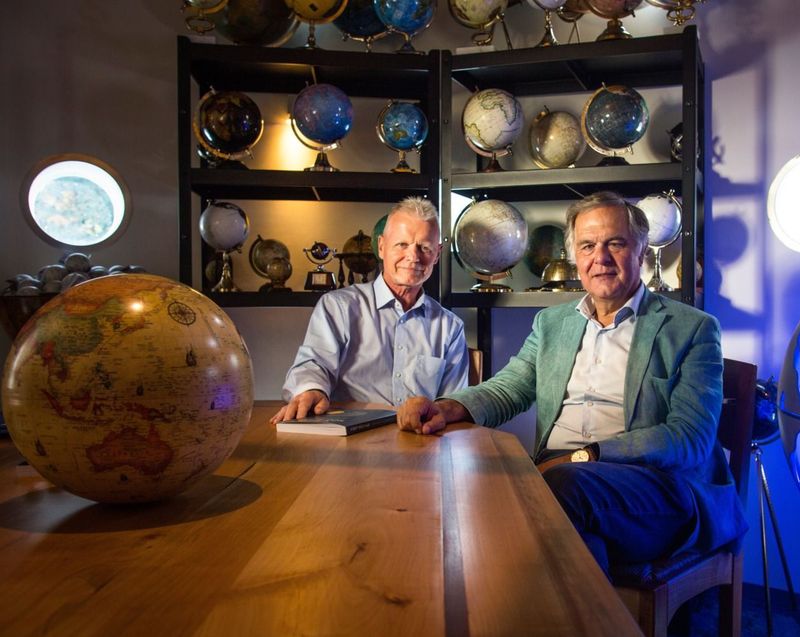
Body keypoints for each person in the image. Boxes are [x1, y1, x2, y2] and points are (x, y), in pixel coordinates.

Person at [397, 191, 746, 576]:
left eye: (615, 243)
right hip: (562, 486)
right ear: (575, 255)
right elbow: (508, 389)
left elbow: (688, 439)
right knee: (554, 524)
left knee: (557, 494)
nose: (601, 257)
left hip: (656, 491)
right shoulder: (553, 324)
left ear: (641, 248)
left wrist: (587, 456)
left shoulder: (692, 328)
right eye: (588, 245)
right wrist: (445, 407)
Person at [271, 196, 468, 425]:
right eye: (402, 244)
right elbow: (314, 364)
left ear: (437, 254)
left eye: (424, 247)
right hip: (348, 444)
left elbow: (453, 403)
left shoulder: (451, 327)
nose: (413, 256)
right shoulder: (339, 307)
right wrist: (312, 389)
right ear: (382, 247)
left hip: (421, 443)